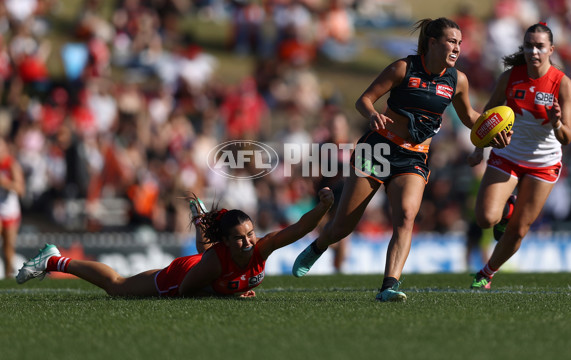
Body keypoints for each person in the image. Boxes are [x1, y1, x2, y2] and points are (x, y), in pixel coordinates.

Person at [292, 17, 508, 301]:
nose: (457, 48)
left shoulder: (458, 80)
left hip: (414, 157)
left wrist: (493, 130)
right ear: (432, 43)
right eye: (451, 41)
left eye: (459, 43)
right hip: (378, 149)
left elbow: (470, 117)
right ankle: (319, 245)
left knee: (406, 216)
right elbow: (364, 100)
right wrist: (372, 115)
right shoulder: (402, 68)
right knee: (343, 226)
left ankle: (389, 286)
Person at [16, 187, 334, 297]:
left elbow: (298, 228)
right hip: (183, 275)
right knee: (117, 285)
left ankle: (200, 218)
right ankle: (51, 260)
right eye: (239, 238)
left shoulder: (259, 247)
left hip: (211, 261)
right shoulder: (216, 258)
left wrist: (323, 207)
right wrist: (228, 295)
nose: (249, 242)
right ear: (226, 240)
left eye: (250, 234)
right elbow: (185, 292)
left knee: (210, 254)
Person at [468, 22, 571, 289]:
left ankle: (487, 273)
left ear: (551, 49)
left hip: (544, 163)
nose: (534, 51)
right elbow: (488, 114)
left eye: (539, 46)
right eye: (529, 45)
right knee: (484, 219)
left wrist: (557, 123)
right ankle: (507, 210)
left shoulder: (563, 84)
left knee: (519, 230)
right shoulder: (509, 77)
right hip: (508, 154)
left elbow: (567, 138)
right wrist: (479, 148)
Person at [0, 136, 25, 279]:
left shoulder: (12, 165)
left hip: (10, 211)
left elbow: (21, 189)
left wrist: (4, 183)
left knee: (9, 249)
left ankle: (8, 277)